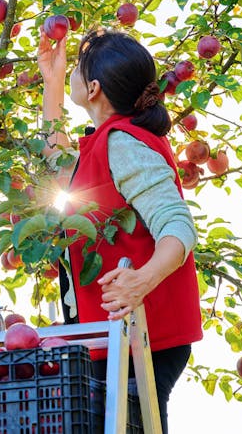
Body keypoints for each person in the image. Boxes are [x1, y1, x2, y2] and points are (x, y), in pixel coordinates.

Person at [37, 27, 203, 433]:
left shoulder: (124, 145)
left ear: (93, 88)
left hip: (142, 340)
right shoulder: (105, 143)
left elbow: (178, 224)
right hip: (118, 340)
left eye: (76, 69)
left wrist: (141, 280)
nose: (72, 72)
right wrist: (53, 82)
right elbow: (57, 162)